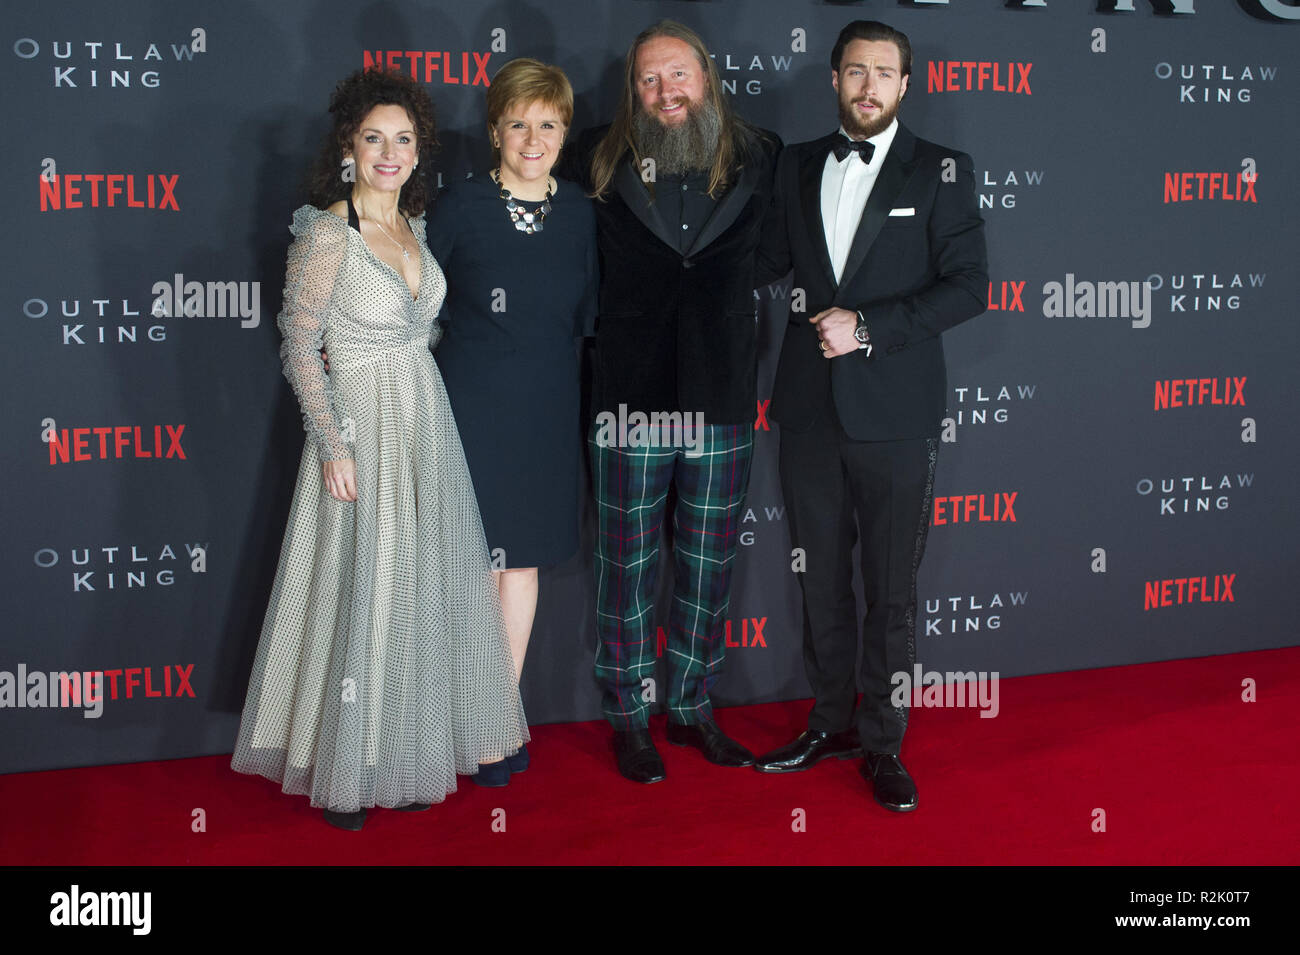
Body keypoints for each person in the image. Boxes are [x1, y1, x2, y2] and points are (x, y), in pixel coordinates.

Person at [231, 68, 527, 830]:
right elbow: (299, 343)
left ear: (418, 151)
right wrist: (332, 441)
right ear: (348, 149)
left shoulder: (416, 230)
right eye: (374, 139)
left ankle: (408, 753)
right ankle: (349, 766)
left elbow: (422, 333)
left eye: (404, 140)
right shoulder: (330, 230)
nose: (389, 153)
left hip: (423, 420)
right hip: (358, 427)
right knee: (360, 587)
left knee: (418, 586)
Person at [753, 20, 988, 812]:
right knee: (819, 579)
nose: (868, 87)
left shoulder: (943, 170)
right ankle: (828, 721)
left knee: (890, 590)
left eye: (884, 73)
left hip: (897, 410)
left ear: (905, 83)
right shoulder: (793, 164)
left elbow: (968, 287)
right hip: (809, 409)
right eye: (855, 72)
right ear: (833, 79)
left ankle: (883, 741)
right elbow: (763, 262)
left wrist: (871, 327)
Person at [562, 20, 781, 784]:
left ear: (707, 78)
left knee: (707, 562)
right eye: (650, 81)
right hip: (628, 395)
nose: (665, 93)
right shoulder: (591, 151)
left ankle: (690, 707)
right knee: (625, 565)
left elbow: (796, 249)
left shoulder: (762, 153)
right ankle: (629, 715)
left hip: (722, 392)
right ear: (634, 91)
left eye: (678, 76)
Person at [428, 58, 596, 783]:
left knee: (520, 566)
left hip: (548, 408)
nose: (534, 137)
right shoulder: (459, 206)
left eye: (549, 123)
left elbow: (589, 319)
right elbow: (415, 307)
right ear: (495, 127)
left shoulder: (586, 214)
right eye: (519, 122)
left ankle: (497, 719)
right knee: (463, 565)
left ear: (566, 132)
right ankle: (445, 720)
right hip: (468, 406)